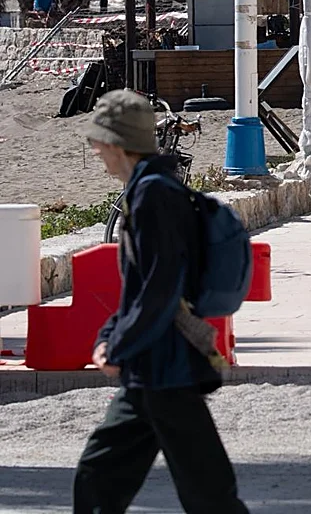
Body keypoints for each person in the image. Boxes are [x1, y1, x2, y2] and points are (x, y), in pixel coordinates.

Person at [74, 91, 249, 514]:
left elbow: (159, 286)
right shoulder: (151, 189)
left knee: (206, 495)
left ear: (116, 144)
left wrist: (117, 344)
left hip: (163, 368)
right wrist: (113, 335)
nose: (95, 151)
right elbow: (146, 286)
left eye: (98, 141)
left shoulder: (153, 195)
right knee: (100, 479)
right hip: (153, 368)